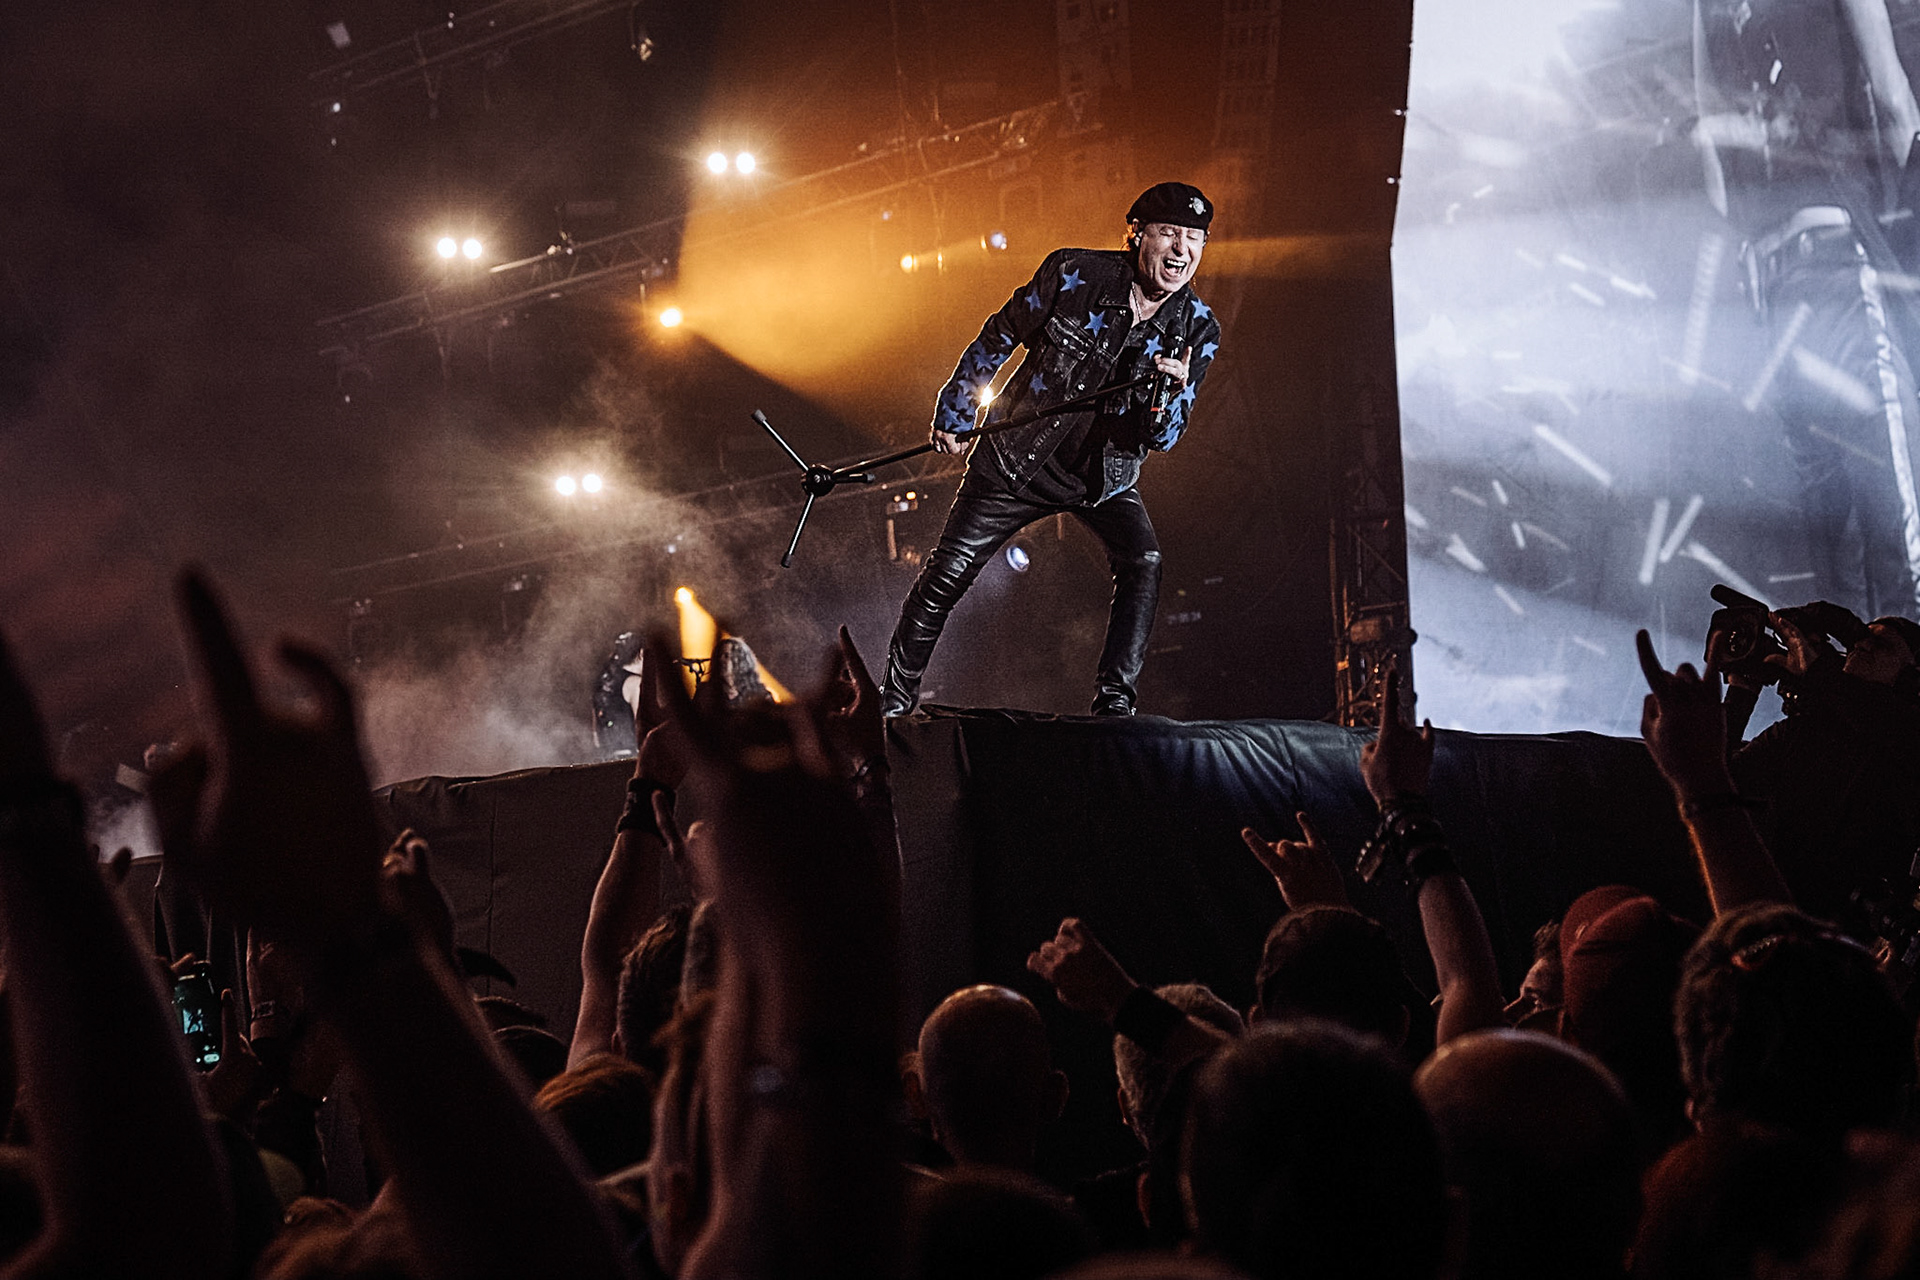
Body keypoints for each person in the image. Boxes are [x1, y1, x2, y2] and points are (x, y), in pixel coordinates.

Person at [880, 181, 1224, 717]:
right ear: (1136, 236)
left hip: (1103, 479)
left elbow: (1167, 438)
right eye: (1168, 234)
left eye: (1195, 239)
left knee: (1144, 560)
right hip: (1017, 461)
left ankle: (1114, 706)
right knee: (949, 572)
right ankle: (895, 701)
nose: (1182, 250)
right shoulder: (1073, 273)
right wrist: (955, 408)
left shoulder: (1198, 328)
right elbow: (999, 335)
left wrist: (1169, 395)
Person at [1695, 0, 1920, 617]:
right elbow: (1893, 100)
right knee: (1893, 512)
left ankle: (1838, 702)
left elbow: (1712, 147)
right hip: (1835, 262)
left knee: (1831, 533)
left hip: (1771, 289)